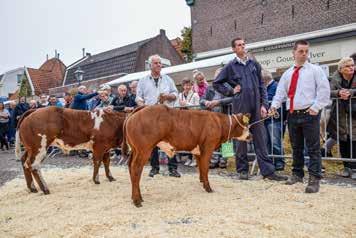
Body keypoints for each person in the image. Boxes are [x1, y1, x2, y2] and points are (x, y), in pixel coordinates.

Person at [213, 37, 287, 181]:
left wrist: (264, 105)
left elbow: (262, 86)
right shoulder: (230, 66)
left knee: (260, 138)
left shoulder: (254, 64)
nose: (242, 47)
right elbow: (217, 83)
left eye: (243, 44)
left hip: (256, 107)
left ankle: (268, 172)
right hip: (241, 108)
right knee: (241, 138)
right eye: (239, 45)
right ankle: (242, 171)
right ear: (234, 49)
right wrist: (231, 91)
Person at [270, 40, 330, 193]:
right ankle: (297, 173)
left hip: (309, 114)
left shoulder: (315, 70)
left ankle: (314, 178)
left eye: (306, 51)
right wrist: (273, 106)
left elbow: (324, 91)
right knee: (296, 147)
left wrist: (316, 107)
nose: (304, 54)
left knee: (313, 148)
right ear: (293, 53)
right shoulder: (288, 73)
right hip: (293, 114)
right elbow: (280, 94)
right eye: (301, 51)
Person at [136, 54, 180, 178]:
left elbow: (175, 94)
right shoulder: (143, 80)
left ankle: (173, 168)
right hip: (150, 115)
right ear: (150, 65)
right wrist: (142, 105)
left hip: (166, 115)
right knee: (152, 142)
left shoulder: (168, 79)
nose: (159, 65)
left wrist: (167, 96)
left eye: (160, 63)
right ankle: (154, 168)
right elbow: (138, 97)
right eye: (156, 63)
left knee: (170, 141)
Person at [327, 57, 356, 179]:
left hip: (354, 114)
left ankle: (355, 168)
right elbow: (329, 91)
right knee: (343, 139)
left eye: (352, 65)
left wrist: (351, 92)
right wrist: (339, 93)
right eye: (348, 66)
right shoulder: (335, 78)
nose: (351, 68)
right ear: (341, 69)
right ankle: (346, 167)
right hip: (340, 114)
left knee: (354, 140)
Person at [201, 66, 233, 169]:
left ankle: (224, 160)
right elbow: (201, 100)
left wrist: (219, 102)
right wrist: (206, 102)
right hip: (212, 118)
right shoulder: (210, 88)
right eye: (217, 76)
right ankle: (214, 160)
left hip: (225, 116)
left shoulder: (229, 86)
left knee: (227, 139)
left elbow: (233, 98)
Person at [262, 69, 286, 171]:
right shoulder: (266, 88)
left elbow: (273, 101)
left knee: (275, 142)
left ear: (264, 79)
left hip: (275, 119)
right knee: (267, 142)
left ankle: (279, 162)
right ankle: (270, 161)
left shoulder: (276, 86)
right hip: (266, 119)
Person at [176, 77, 200, 167]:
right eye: (186, 85)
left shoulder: (195, 95)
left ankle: (193, 158)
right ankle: (186, 157)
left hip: (192, 120)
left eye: (189, 85)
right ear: (183, 86)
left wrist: (186, 104)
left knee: (193, 140)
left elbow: (197, 107)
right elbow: (177, 106)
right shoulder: (180, 95)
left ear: (191, 86)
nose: (187, 87)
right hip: (182, 120)